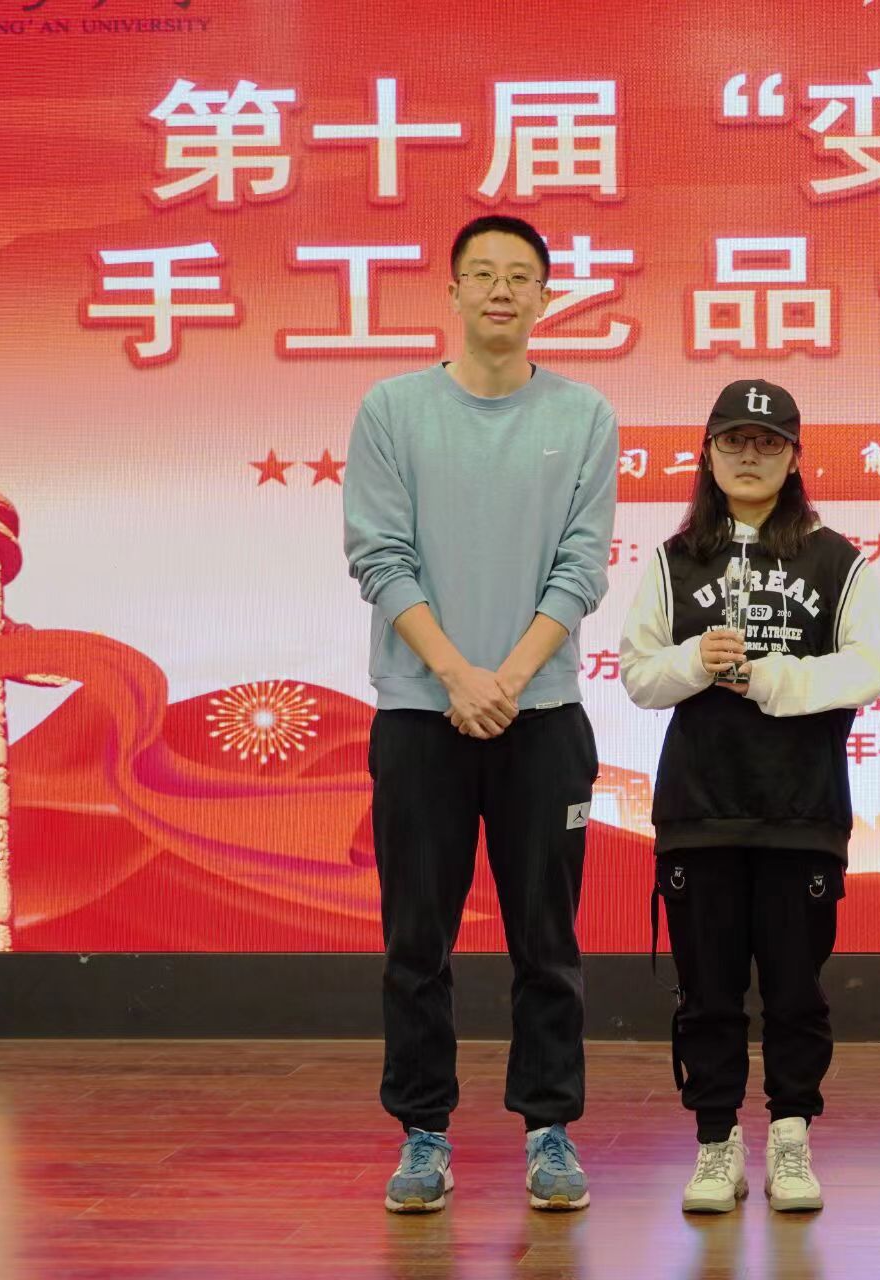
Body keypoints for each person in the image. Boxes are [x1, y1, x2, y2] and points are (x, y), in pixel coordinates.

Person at [344, 214, 617, 1214]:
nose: (502, 290)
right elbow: (379, 555)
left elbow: (581, 566)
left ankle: (549, 1128)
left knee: (547, 938)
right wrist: (458, 674)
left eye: (521, 276)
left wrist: (505, 678)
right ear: (452, 291)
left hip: (542, 715)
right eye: (483, 274)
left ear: (546, 296)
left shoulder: (584, 414)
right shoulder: (393, 409)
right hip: (422, 714)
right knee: (416, 938)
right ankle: (423, 1131)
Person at [619, 379, 880, 1215]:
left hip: (801, 810)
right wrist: (692, 661)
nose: (749, 455)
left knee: (795, 990)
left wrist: (771, 678)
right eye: (733, 441)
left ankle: (791, 1135)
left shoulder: (836, 559)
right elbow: (638, 675)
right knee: (706, 992)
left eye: (767, 443)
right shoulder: (674, 559)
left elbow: (869, 669)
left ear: (794, 457)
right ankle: (715, 1142)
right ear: (707, 453)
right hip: (699, 809)